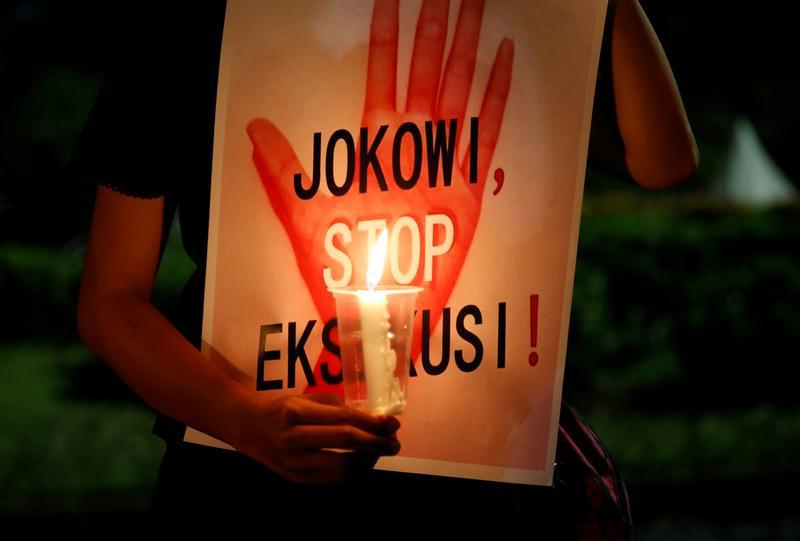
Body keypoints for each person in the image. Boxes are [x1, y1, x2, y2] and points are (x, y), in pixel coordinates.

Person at [71, 0, 696, 536]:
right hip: (249, 485)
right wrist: (243, 419)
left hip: (473, 490)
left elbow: (662, 160)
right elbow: (110, 303)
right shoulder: (189, 21)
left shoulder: (499, 14)